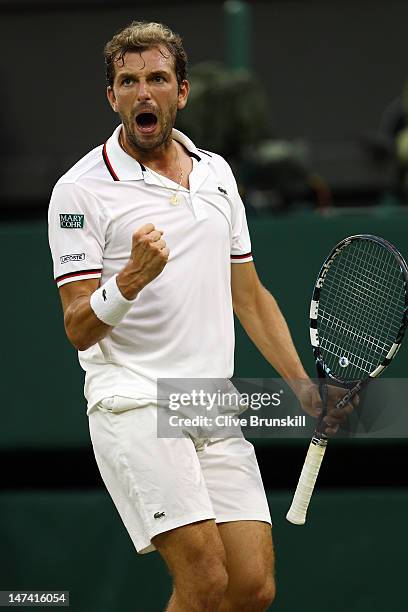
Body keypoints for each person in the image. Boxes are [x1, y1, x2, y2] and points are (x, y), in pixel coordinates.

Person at [48, 21, 352, 612]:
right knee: (206, 582)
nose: (144, 92)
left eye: (157, 78)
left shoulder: (216, 173)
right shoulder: (79, 191)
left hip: (208, 403)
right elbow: (78, 325)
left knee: (251, 588)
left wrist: (301, 385)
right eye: (128, 81)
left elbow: (251, 295)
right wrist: (131, 278)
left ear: (181, 92)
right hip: (133, 401)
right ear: (112, 97)